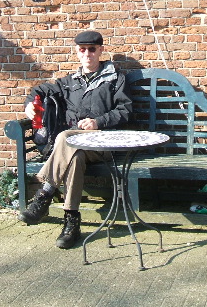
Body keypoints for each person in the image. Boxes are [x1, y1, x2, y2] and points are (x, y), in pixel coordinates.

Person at [18, 30, 132, 249]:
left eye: (92, 49)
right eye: (82, 50)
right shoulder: (70, 82)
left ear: (100, 51)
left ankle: (45, 193)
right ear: (77, 52)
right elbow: (39, 90)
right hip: (75, 147)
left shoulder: (116, 79)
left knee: (65, 137)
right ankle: (72, 221)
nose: (87, 54)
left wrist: (99, 121)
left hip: (104, 143)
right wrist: (30, 104)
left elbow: (126, 110)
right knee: (75, 156)